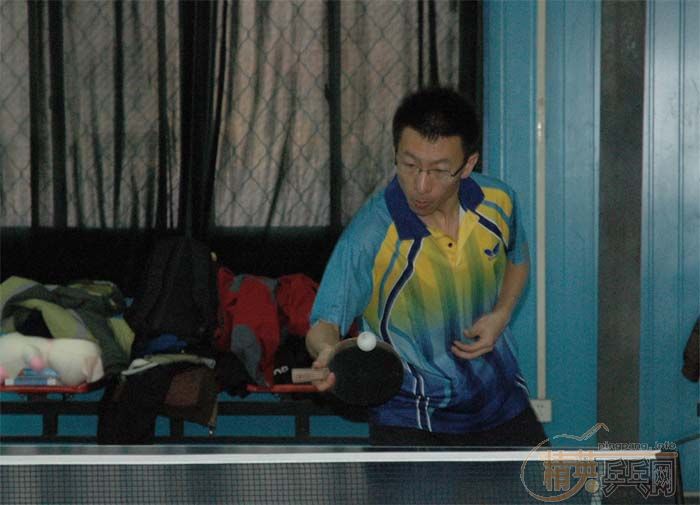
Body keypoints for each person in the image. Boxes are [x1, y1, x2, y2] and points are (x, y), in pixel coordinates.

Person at [305, 87, 547, 447]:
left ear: (468, 165)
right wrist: (328, 353)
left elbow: (517, 261)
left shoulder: (499, 201)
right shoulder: (370, 234)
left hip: (500, 401)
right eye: (409, 165)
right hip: (409, 415)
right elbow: (324, 324)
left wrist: (502, 314)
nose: (421, 185)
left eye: (439, 171)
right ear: (395, 154)